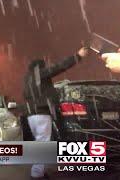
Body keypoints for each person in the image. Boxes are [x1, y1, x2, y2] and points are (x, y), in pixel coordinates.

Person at [23, 47, 89, 179]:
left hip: (31, 115)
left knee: (39, 142)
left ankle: (39, 171)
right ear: (39, 67)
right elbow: (59, 67)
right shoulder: (39, 74)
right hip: (41, 113)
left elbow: (26, 96)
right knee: (43, 143)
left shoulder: (27, 79)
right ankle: (36, 174)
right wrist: (78, 56)